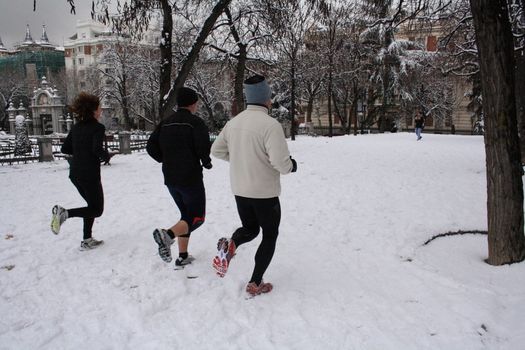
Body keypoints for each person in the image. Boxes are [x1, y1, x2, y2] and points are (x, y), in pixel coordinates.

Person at [211, 75, 297, 296]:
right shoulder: (270, 125)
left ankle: (232, 243)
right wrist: (292, 166)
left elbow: (217, 151)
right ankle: (255, 283)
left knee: (249, 229)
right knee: (269, 235)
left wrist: (241, 159)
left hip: (240, 190)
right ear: (267, 98)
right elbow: (281, 163)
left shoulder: (234, 122)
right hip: (265, 193)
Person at [146, 87, 212, 268]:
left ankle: (183, 255)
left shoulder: (165, 123)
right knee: (197, 217)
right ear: (193, 103)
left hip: (170, 178)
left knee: (186, 216)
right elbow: (202, 147)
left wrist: (164, 159)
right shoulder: (195, 123)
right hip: (190, 178)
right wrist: (206, 162)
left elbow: (150, 146)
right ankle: (167, 235)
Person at [50, 92, 114, 250]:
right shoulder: (98, 127)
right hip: (89, 174)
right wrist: (105, 156)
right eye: (99, 108)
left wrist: (80, 149)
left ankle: (87, 239)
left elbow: (66, 148)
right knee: (97, 210)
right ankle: (64, 213)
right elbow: (96, 148)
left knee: (90, 206)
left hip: (75, 173)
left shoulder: (76, 127)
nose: (101, 111)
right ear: (93, 110)